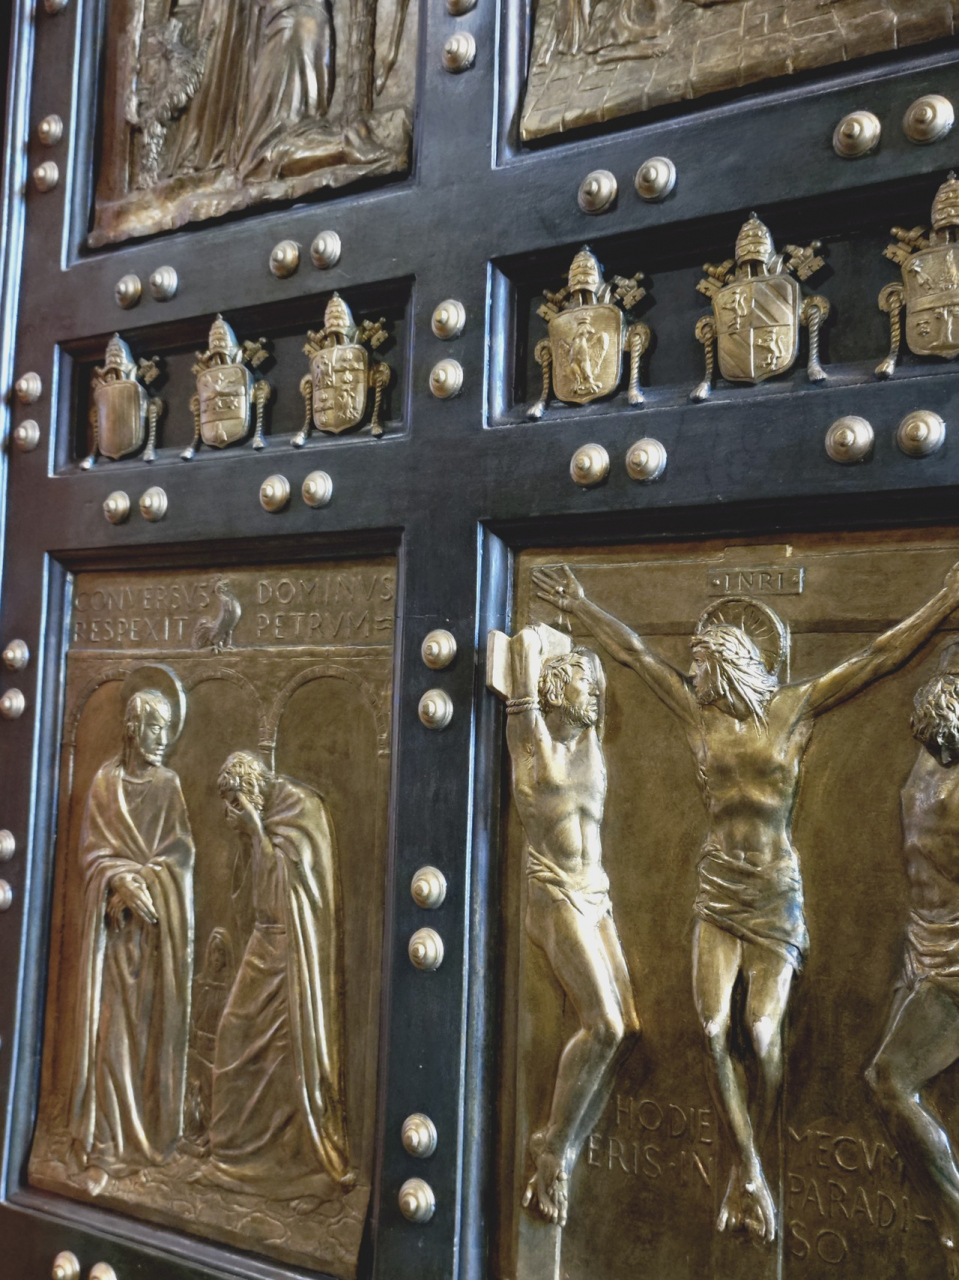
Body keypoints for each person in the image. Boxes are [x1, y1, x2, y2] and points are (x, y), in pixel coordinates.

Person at [533, 562, 959, 1245]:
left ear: (724, 662)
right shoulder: (697, 716)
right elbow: (636, 655)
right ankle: (749, 1171)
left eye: (700, 664)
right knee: (710, 1030)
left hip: (773, 894)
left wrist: (941, 601)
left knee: (760, 1034)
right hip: (716, 891)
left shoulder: (793, 711)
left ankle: (755, 1157)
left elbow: (878, 657)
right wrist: (582, 606)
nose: (692, 674)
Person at [496, 626, 639, 1228]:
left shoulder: (590, 744)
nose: (596, 693)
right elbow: (523, 660)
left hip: (596, 894)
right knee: (604, 1024)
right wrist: (538, 634)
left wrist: (581, 649)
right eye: (583, 683)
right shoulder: (533, 745)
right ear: (554, 692)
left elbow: (597, 676)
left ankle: (564, 1141)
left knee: (627, 1029)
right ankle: (554, 1149)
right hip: (554, 897)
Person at [70, 672, 194, 1195]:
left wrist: (147, 881)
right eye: (153, 727)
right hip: (113, 935)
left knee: (145, 1037)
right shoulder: (105, 782)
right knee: (111, 1035)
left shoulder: (168, 787)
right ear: (131, 727)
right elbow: (92, 853)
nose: (162, 738)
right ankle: (106, 1147)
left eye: (166, 728)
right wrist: (116, 879)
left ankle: (145, 1144)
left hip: (155, 937)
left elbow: (180, 857)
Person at [205, 751, 349, 1196]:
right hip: (263, 942)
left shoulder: (300, 808)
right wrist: (251, 834)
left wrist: (255, 831)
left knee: (287, 1054)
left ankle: (297, 1167)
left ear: (251, 788)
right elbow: (250, 894)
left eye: (235, 801)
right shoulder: (265, 815)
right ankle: (231, 1154)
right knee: (233, 1035)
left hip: (290, 950)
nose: (231, 812)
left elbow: (288, 894)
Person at [868, 644, 959, 1280]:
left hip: (953, 960)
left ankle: (954, 1213)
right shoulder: (932, 756)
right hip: (921, 944)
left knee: (888, 1079)